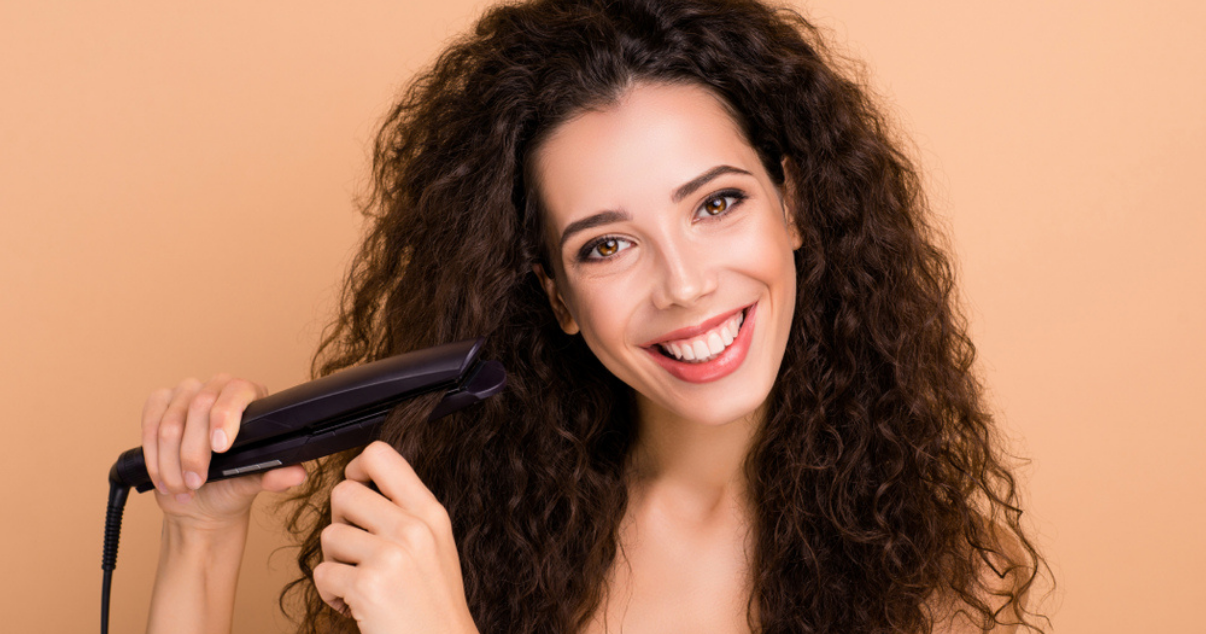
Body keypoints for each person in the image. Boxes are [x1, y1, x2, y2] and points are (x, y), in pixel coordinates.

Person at [140, 0, 1050, 632]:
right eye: (606, 246)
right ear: (556, 298)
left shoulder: (934, 574)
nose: (686, 284)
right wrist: (201, 535)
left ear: (795, 206)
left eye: (717, 204)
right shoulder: (471, 536)